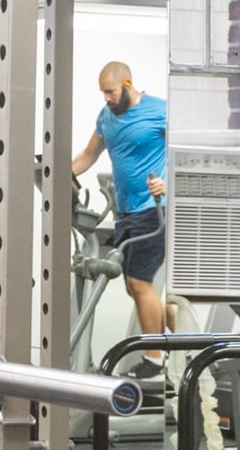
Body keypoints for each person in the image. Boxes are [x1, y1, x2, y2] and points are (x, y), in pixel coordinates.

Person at [70, 59, 169, 338]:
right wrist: (56, 176)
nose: (107, 98)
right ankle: (174, 333)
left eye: (110, 91)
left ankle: (153, 358)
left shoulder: (160, 111)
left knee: (138, 282)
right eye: (103, 92)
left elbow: (186, 155)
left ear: (127, 84)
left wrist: (168, 183)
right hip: (124, 212)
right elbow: (88, 155)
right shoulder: (106, 115)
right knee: (133, 286)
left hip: (153, 209)